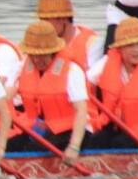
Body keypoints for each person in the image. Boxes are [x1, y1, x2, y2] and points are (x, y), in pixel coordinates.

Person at [12, 22, 93, 165]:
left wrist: (73, 147)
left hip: (71, 130)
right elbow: (7, 93)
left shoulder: (71, 70)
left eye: (43, 55)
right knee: (11, 144)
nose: (37, 60)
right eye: (34, 55)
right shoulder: (24, 65)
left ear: (53, 51)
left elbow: (81, 111)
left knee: (32, 148)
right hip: (41, 128)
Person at [85, 17, 138, 149]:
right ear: (119, 49)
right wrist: (90, 116)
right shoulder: (107, 62)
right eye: (130, 45)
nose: (137, 50)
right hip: (114, 123)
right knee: (95, 141)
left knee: (120, 143)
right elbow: (84, 85)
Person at [36, 0, 102, 72]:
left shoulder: (92, 44)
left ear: (62, 18)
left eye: (46, 20)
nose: (42, 26)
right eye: (41, 20)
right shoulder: (39, 45)